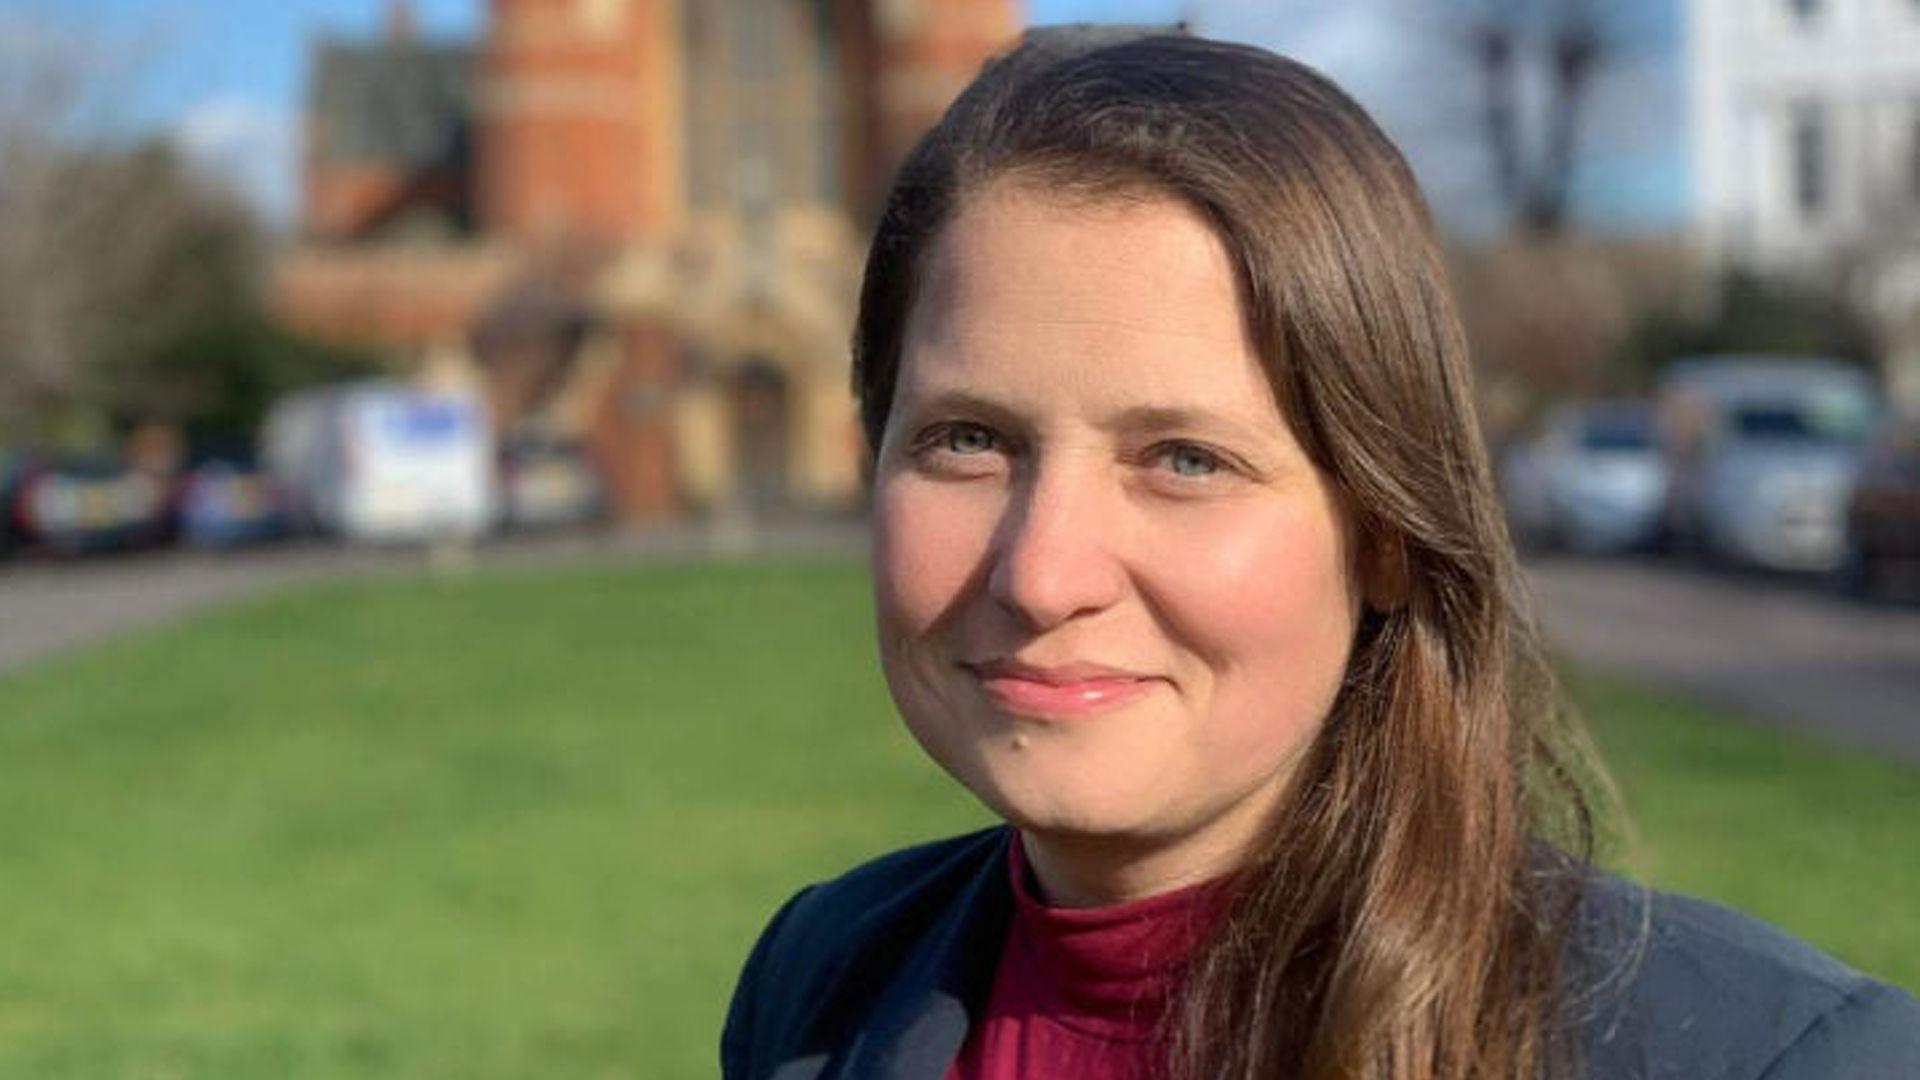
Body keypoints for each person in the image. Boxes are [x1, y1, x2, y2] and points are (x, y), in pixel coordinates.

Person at [721, 28, 1920, 1080]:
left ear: (1387, 531)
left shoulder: (1775, 1056)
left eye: (1184, 458)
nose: (1042, 572)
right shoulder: (822, 978)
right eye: (969, 440)